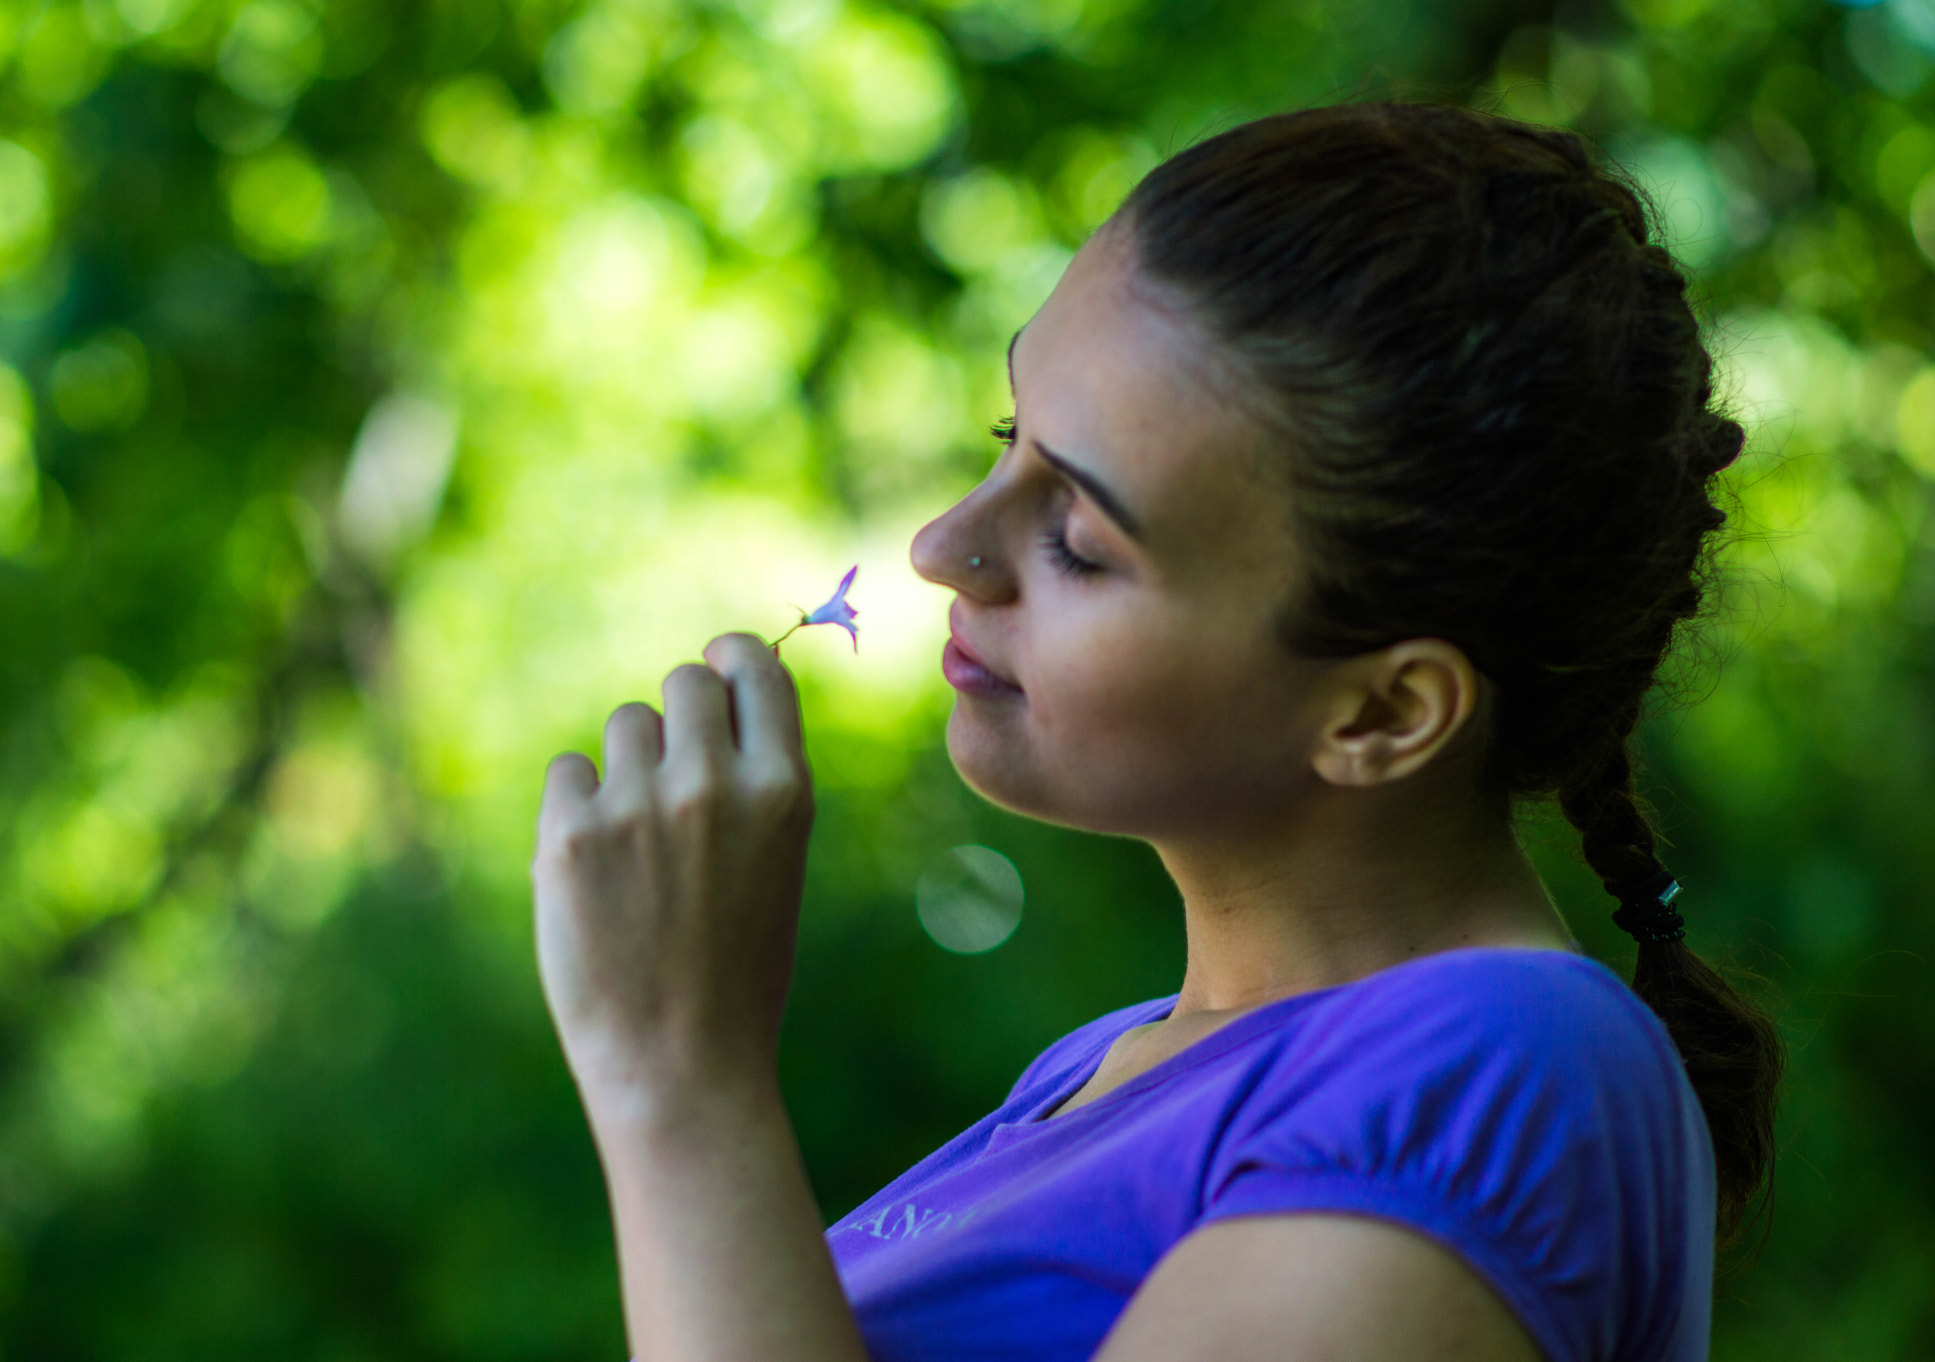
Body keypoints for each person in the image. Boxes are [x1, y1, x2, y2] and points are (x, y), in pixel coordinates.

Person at [528, 102, 1785, 1362]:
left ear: (1382, 712)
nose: (940, 549)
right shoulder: (1109, 1066)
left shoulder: (1497, 1073)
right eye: (1007, 437)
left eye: (1079, 541)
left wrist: (680, 1084)